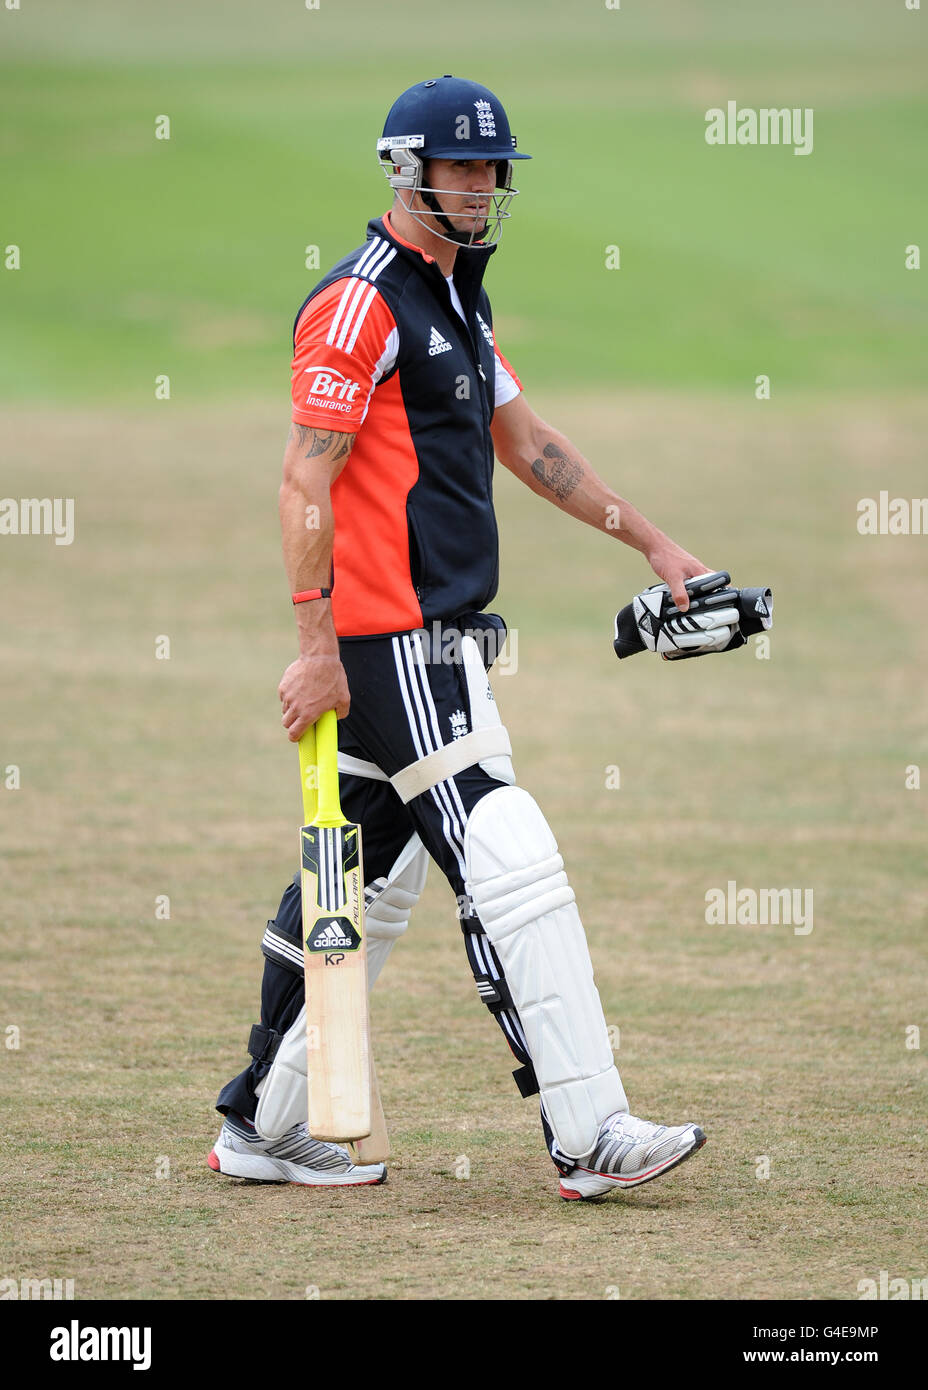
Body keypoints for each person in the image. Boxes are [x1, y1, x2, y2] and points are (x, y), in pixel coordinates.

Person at [208, 76, 708, 1199]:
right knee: (507, 849)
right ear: (406, 171)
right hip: (392, 636)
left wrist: (655, 546)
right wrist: (317, 645)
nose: (481, 188)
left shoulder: (458, 300)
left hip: (442, 635)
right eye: (462, 168)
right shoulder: (360, 304)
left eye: (494, 171)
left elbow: (528, 445)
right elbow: (304, 474)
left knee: (362, 874)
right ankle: (591, 1131)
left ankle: (263, 1119)